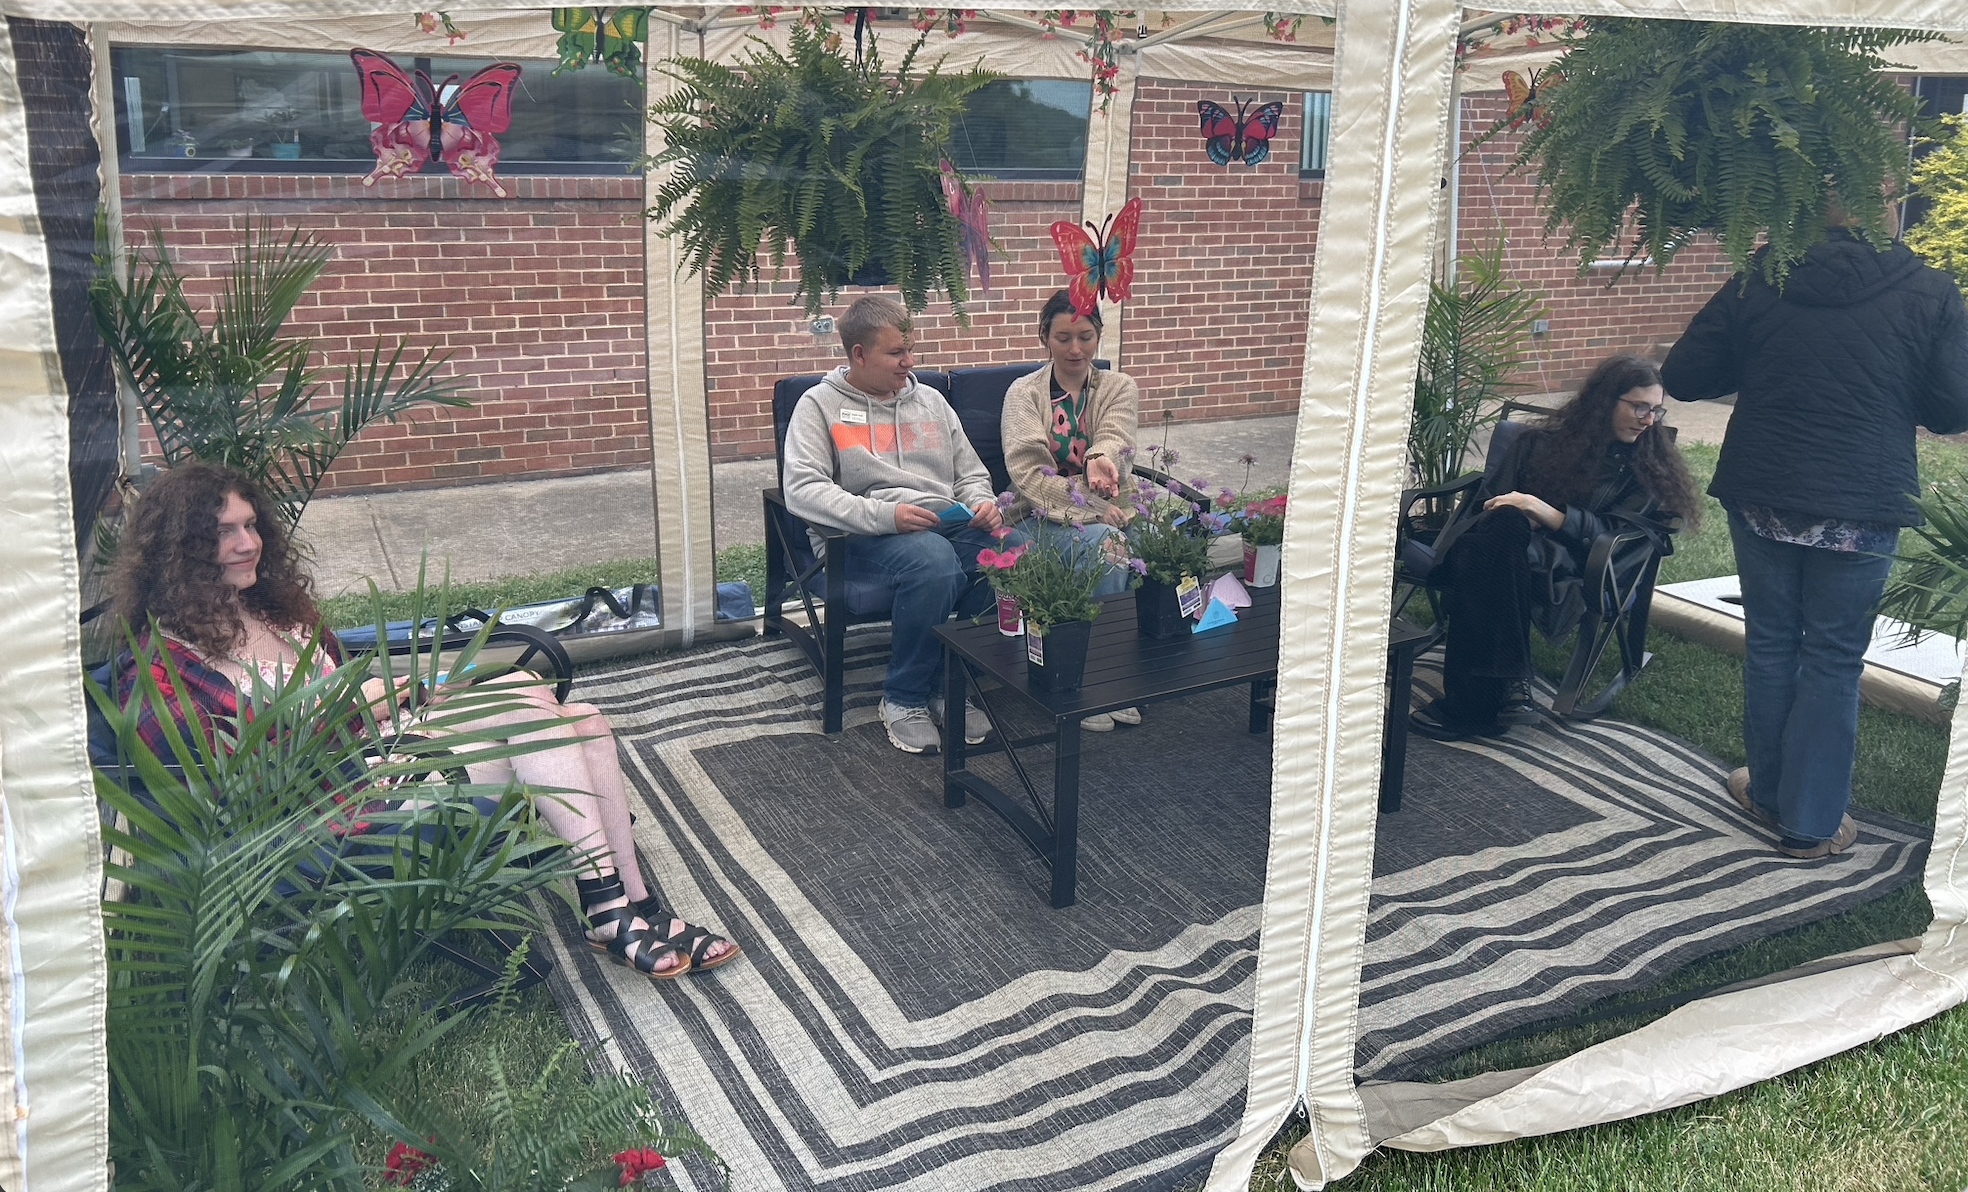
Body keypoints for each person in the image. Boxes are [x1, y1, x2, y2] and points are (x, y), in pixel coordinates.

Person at [109, 462, 739, 981]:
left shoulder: (269, 610)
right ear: (184, 551)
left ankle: (629, 903)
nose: (249, 543)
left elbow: (342, 689)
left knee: (583, 718)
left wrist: (405, 695)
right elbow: (230, 786)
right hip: (330, 816)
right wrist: (364, 707)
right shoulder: (164, 668)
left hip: (385, 755)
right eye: (224, 532)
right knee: (531, 707)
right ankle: (610, 909)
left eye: (251, 525)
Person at [1663, 208, 1968, 859]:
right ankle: (1811, 824)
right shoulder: (1931, 289)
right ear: (1888, 208)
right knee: (1833, 657)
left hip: (1764, 490)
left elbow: (1685, 375)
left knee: (1772, 644)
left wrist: (1761, 356)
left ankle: (1770, 792)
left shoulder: (1760, 276)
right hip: (1862, 501)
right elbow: (1953, 408)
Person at [1410, 355, 1698, 742]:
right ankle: (1507, 687)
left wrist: (1544, 512)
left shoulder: (1647, 471)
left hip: (1573, 569)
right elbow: (1486, 507)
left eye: (1655, 410)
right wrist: (1517, 515)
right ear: (1605, 401)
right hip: (1504, 550)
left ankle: (1484, 700)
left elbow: (1615, 536)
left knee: (1486, 557)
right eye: (1639, 407)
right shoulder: (1535, 445)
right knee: (1502, 532)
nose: (1648, 420)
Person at [781, 295, 1008, 754]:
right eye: (896, 352)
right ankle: (903, 697)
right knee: (933, 561)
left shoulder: (931, 401)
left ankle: (950, 683)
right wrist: (886, 516)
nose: (910, 362)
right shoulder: (818, 405)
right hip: (860, 537)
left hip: (942, 523)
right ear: (859, 354)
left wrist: (982, 503)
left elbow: (970, 473)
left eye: (911, 349)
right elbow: (802, 489)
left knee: (1010, 552)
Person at [1001, 289, 1142, 732]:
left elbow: (1116, 438)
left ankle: (1123, 669)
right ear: (1044, 337)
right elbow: (1028, 472)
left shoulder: (1119, 387)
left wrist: (1101, 460)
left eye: (1086, 337)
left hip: (1109, 511)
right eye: (1063, 338)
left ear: (1099, 335)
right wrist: (1093, 508)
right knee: (1107, 545)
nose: (1076, 349)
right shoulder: (1024, 394)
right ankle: (1091, 684)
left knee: (1149, 546)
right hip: (1035, 517)